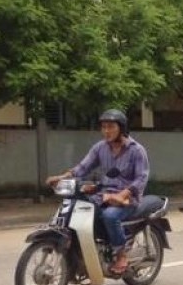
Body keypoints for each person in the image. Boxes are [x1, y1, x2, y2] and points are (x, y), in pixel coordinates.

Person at [47, 109, 150, 274]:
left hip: (128, 199)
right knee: (78, 207)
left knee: (109, 216)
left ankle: (121, 255)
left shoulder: (136, 150)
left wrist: (122, 194)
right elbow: (83, 167)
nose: (106, 131)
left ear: (121, 128)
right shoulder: (100, 148)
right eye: (103, 127)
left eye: (110, 127)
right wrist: (62, 177)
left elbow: (141, 178)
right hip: (104, 194)